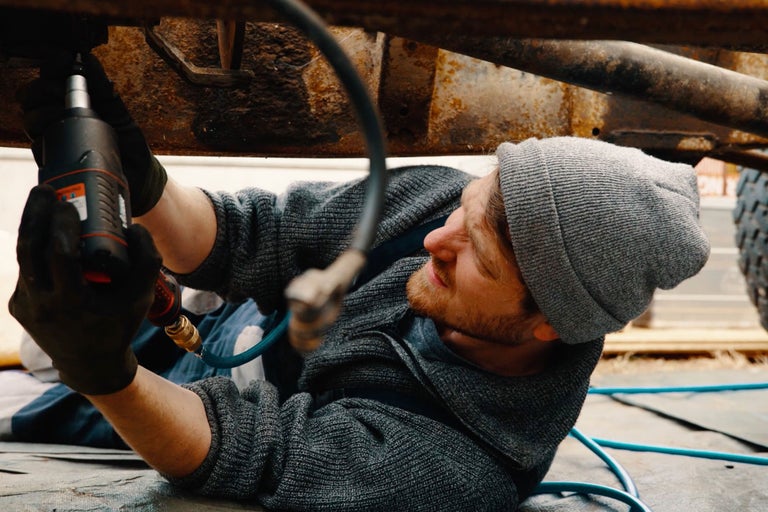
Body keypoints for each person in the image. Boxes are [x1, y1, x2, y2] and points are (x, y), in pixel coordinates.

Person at [9, 54, 710, 511]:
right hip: (227, 320)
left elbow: (245, 453)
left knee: (44, 397)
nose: (436, 239)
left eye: (477, 260)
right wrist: (135, 165)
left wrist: (105, 374)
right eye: (465, 210)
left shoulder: (452, 467)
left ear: (547, 324)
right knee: (69, 313)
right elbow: (260, 234)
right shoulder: (439, 205)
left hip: (213, 402)